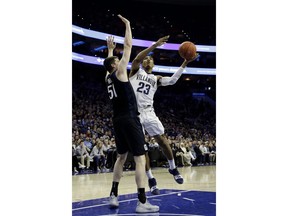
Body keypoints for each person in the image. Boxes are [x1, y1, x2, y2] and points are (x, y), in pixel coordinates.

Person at [103, 15, 159, 213]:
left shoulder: (108, 77)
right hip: (130, 118)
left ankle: (113, 195)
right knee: (140, 159)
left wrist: (110, 50)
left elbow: (108, 62)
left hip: (117, 121)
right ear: (114, 66)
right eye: (118, 61)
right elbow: (128, 45)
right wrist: (128, 24)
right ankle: (142, 202)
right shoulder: (119, 73)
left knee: (120, 157)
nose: (121, 61)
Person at [129, 35, 199, 192]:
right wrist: (154, 46)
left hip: (149, 112)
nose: (147, 60)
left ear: (153, 65)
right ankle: (151, 179)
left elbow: (173, 81)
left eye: (151, 59)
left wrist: (185, 62)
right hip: (134, 114)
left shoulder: (156, 78)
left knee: (162, 141)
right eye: (146, 59)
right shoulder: (134, 71)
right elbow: (137, 60)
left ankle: (173, 168)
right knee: (142, 150)